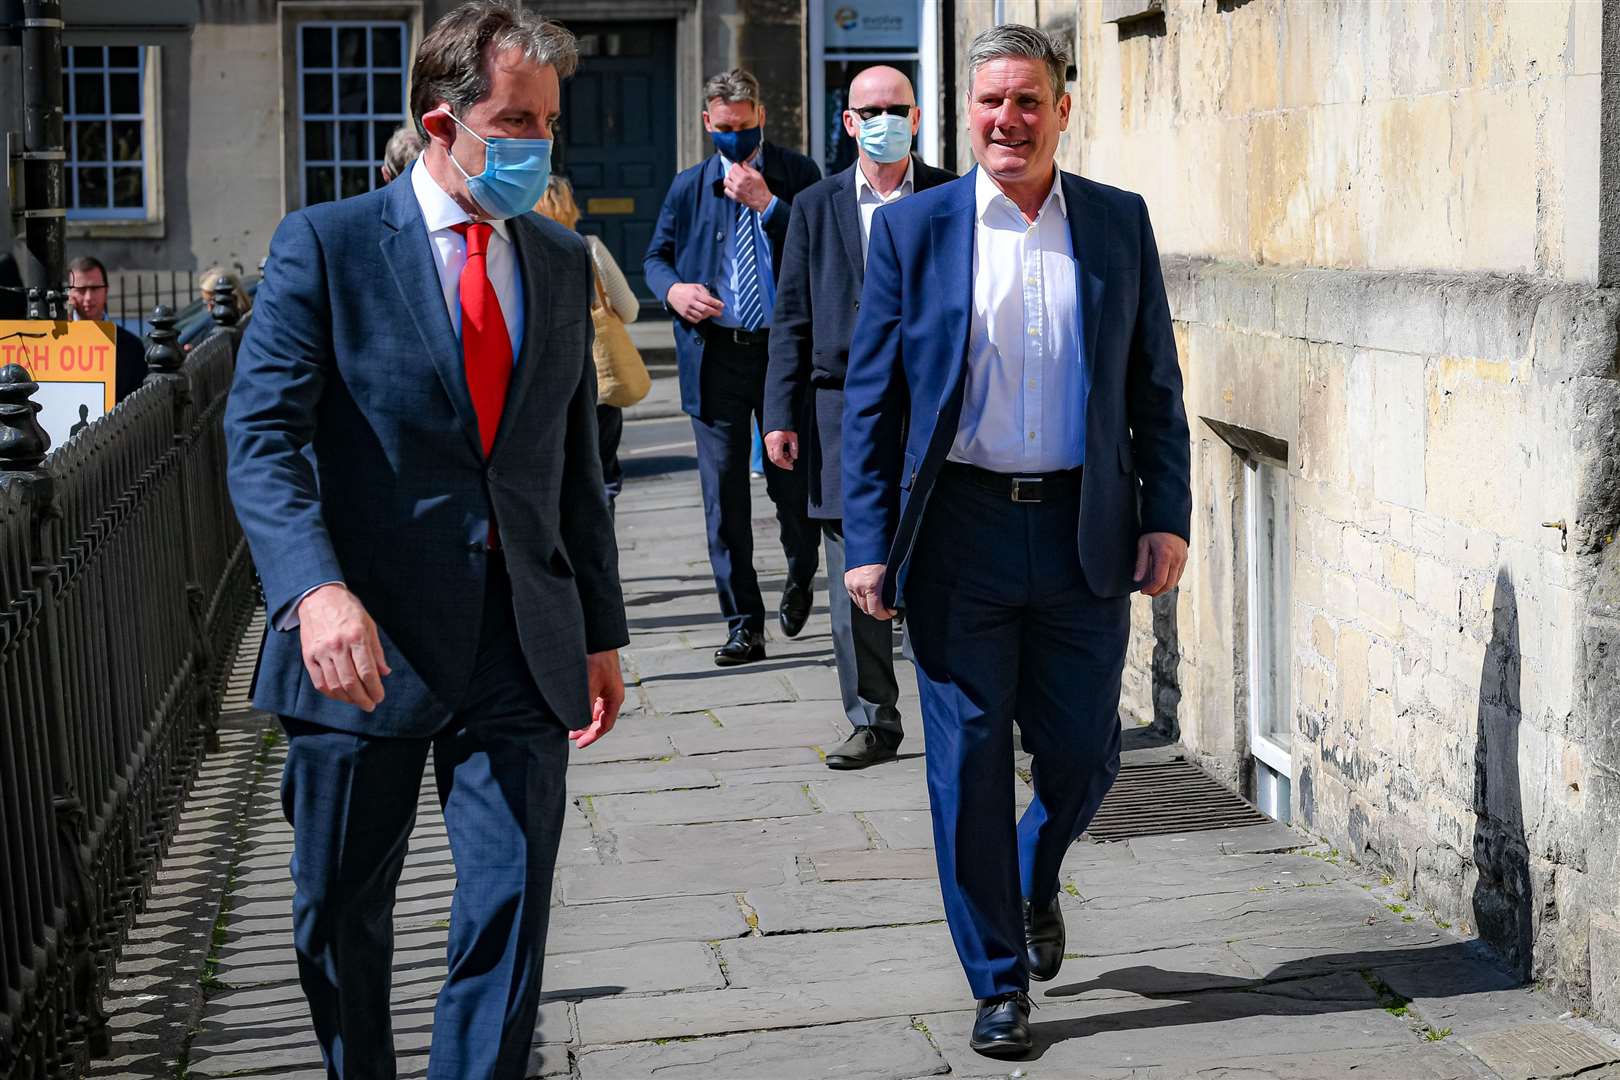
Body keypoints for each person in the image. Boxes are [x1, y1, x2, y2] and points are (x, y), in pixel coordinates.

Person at [223, 4, 627, 1077]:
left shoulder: (554, 255)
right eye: (513, 123)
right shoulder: (329, 246)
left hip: (518, 643)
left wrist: (597, 627)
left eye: (549, 122)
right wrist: (314, 591)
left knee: (509, 910)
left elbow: (568, 464)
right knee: (338, 914)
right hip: (367, 644)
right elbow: (260, 438)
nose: (538, 146)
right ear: (439, 121)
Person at [841, 24, 1192, 1059]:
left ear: (1062, 110)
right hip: (959, 533)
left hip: (1087, 527)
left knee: (1085, 754)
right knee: (969, 765)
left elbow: (1154, 391)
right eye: (992, 101)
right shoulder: (916, 231)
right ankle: (998, 985)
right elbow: (873, 401)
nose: (1009, 120)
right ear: (969, 110)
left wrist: (1165, 513)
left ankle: (1037, 868)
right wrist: (868, 543)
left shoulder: (1118, 224)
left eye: (1030, 101)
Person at [763, 65, 954, 771]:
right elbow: (790, 314)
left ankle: (967, 704)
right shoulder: (814, 205)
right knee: (854, 566)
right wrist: (779, 413)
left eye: (894, 107)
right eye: (868, 109)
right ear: (848, 122)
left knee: (947, 560)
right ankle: (873, 719)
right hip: (840, 407)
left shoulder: (951, 195)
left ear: (916, 117)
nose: (882, 118)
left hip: (934, 407)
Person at [644, 68, 822, 666]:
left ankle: (801, 569)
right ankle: (743, 624)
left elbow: (823, 248)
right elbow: (655, 257)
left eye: (744, 128)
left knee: (790, 487)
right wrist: (673, 293)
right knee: (723, 499)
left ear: (761, 117)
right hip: (714, 353)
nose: (735, 139)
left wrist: (767, 203)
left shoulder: (798, 174)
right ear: (707, 124)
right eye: (724, 129)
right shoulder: (687, 187)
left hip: (782, 354)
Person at [534, 174, 638, 506]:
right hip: (598, 381)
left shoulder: (520, 252)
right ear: (570, 206)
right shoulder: (588, 247)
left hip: (543, 385)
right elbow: (630, 309)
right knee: (602, 476)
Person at [66, 255, 146, 401]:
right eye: (81, 290)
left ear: (106, 291)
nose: (89, 297)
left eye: (95, 288)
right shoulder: (56, 340)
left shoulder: (132, 346)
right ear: (69, 293)